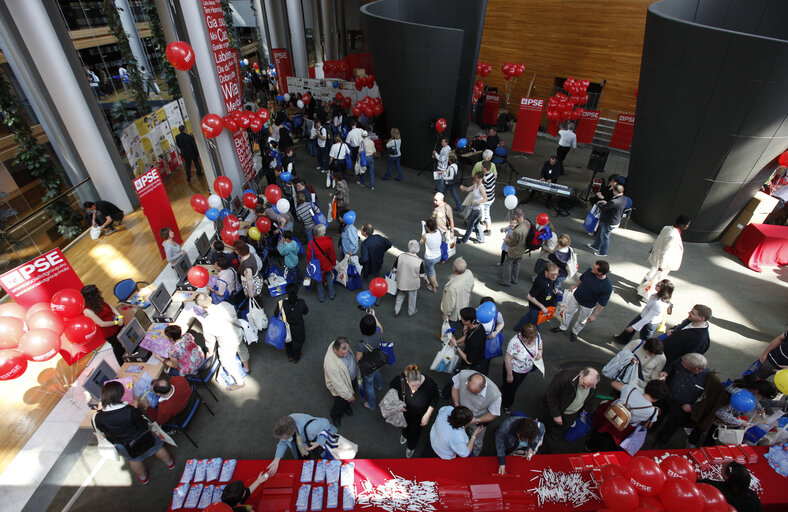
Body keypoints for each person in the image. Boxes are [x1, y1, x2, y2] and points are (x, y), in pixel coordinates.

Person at [94, 381, 174, 484]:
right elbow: (142, 425)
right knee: (157, 448)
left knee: (135, 460)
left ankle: (143, 477)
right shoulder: (130, 410)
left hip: (125, 444)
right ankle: (170, 463)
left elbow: (105, 432)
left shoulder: (99, 418)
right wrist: (137, 408)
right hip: (144, 437)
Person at [588, 379, 668, 453]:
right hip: (622, 430)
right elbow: (646, 426)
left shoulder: (631, 389)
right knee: (607, 446)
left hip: (609, 417)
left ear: (646, 387)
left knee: (597, 435)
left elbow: (613, 383)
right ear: (658, 398)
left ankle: (589, 446)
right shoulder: (653, 412)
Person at [194, 293, 249, 391]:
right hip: (238, 333)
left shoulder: (207, 322)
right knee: (242, 350)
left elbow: (210, 342)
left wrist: (209, 353)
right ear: (210, 298)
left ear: (200, 307)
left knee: (227, 362)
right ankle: (246, 368)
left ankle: (239, 382)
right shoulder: (225, 304)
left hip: (227, 344)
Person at [654, 353, 710, 447]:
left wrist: (692, 407)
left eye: (684, 365)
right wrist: (666, 372)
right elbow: (672, 366)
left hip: (681, 406)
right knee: (657, 414)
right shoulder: (683, 360)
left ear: (696, 370)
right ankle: (649, 429)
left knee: (672, 425)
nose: (681, 364)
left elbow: (708, 399)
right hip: (666, 396)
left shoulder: (708, 379)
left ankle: (660, 442)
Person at [551, 260, 613, 342]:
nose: (592, 268)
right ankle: (563, 327)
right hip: (576, 297)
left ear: (600, 273)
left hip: (588, 305)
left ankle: (575, 332)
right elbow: (582, 279)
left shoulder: (607, 286)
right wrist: (574, 286)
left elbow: (602, 303)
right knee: (567, 312)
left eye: (594, 268)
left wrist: (594, 315)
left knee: (582, 320)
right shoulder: (590, 271)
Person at [390, 364, 439, 458]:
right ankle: (405, 434)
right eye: (412, 386)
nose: (414, 389)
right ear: (407, 380)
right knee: (404, 424)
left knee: (415, 431)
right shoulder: (400, 380)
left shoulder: (430, 384)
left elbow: (435, 398)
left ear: (420, 378)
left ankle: (411, 446)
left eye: (418, 385)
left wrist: (428, 414)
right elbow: (392, 390)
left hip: (420, 415)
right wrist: (397, 404)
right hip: (404, 411)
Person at [637, 216, 691, 299]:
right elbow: (666, 251)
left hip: (658, 257)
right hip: (664, 261)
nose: (688, 226)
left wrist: (653, 249)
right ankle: (646, 294)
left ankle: (642, 288)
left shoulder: (667, 228)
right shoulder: (673, 236)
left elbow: (659, 240)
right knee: (656, 278)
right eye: (687, 225)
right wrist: (662, 266)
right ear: (683, 225)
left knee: (651, 274)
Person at [266, 414, 337, 475]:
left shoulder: (311, 428)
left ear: (291, 433)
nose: (282, 440)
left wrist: (319, 442)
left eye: (284, 438)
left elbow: (326, 423)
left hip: (319, 440)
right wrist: (276, 459)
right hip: (305, 443)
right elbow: (283, 442)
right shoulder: (286, 425)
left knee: (327, 459)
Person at [543, 367, 600, 444]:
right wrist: (556, 414)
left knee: (556, 434)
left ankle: (547, 446)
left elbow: (591, 400)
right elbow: (550, 395)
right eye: (584, 384)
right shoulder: (564, 377)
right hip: (555, 410)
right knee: (544, 426)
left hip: (571, 415)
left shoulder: (593, 384)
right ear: (581, 374)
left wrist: (584, 411)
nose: (586, 388)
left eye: (589, 386)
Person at [451, 370, 502, 455]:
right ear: (468, 380)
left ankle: (474, 456)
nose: (470, 394)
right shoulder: (463, 375)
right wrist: (456, 404)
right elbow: (455, 388)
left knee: (477, 442)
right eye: (468, 389)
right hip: (460, 413)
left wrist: (477, 420)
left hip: (476, 420)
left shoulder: (495, 395)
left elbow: (494, 414)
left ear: (483, 387)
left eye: (475, 393)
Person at [613, 279, 674, 344]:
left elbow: (647, 319)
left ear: (663, 289)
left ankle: (643, 348)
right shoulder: (656, 296)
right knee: (631, 328)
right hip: (644, 316)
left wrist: (633, 327)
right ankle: (622, 339)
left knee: (644, 338)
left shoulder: (658, 304)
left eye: (658, 285)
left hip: (650, 323)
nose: (656, 285)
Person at [501, 324, 543, 415]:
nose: (532, 341)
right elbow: (507, 359)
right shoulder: (515, 343)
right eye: (529, 340)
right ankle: (506, 404)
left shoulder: (536, 336)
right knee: (511, 389)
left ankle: (504, 389)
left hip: (525, 370)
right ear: (523, 337)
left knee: (514, 385)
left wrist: (540, 351)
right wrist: (509, 375)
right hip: (514, 370)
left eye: (533, 339)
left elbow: (540, 342)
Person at [81, 285, 124, 365]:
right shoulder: (87, 310)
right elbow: (101, 324)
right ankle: (122, 365)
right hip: (110, 332)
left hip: (118, 323)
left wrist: (119, 316)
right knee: (118, 348)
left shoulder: (98, 300)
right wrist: (116, 322)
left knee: (126, 341)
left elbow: (111, 307)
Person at [512, 262, 559, 332]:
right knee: (536, 328)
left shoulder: (550, 277)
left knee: (528, 317)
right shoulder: (540, 282)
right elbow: (529, 296)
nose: (555, 276)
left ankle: (518, 327)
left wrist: (554, 287)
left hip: (540, 306)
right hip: (536, 309)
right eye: (553, 274)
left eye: (557, 274)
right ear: (546, 272)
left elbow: (551, 282)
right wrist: (542, 307)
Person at [323, 337, 357, 426]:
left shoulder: (340, 344)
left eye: (347, 352)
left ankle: (347, 407)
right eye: (342, 354)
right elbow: (338, 384)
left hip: (350, 380)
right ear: (335, 349)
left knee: (348, 399)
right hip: (341, 388)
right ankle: (336, 416)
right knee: (340, 404)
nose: (345, 355)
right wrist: (348, 396)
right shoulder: (331, 365)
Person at [587, 184, 628, 257]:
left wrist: (600, 204)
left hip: (609, 222)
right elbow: (613, 207)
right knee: (600, 233)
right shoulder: (624, 199)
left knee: (605, 237)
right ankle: (596, 246)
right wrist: (607, 204)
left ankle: (603, 252)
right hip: (613, 220)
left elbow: (604, 209)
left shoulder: (614, 201)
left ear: (615, 191)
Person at [355, 309, 384, 411]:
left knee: (369, 386)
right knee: (377, 373)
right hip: (379, 360)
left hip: (369, 366)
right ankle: (379, 386)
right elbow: (380, 327)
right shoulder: (379, 332)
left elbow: (358, 359)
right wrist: (374, 316)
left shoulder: (361, 344)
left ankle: (371, 405)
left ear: (362, 329)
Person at [275, 283, 308, 363]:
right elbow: (305, 311)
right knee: (298, 343)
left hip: (286, 327)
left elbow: (276, 314)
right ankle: (296, 358)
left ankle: (290, 356)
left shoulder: (281, 303)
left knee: (288, 341)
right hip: (298, 327)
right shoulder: (301, 302)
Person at [393, 240, 427, 317]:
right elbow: (422, 275)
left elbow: (394, 269)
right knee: (412, 297)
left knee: (400, 294)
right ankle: (411, 311)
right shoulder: (419, 261)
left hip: (402, 281)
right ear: (418, 249)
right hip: (413, 283)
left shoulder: (400, 256)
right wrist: (427, 280)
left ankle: (396, 310)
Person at [450, 307, 489, 374]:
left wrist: (456, 346)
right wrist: (456, 341)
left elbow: (468, 361)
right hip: (475, 354)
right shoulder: (478, 325)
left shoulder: (475, 341)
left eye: (462, 318)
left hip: (472, 365)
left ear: (468, 321)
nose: (460, 319)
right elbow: (467, 336)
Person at [498, 208, 532, 286]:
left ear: (516, 216)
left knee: (508, 264)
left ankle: (506, 281)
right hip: (523, 248)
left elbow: (512, 243)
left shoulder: (517, 231)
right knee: (517, 263)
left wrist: (507, 240)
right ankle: (514, 279)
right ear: (523, 214)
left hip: (514, 250)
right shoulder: (527, 223)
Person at [440, 257, 474, 333]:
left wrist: (446, 314)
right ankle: (464, 332)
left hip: (455, 311)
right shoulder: (469, 273)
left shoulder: (452, 287)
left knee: (452, 324)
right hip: (465, 302)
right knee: (462, 320)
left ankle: (451, 336)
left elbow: (450, 304)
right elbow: (472, 285)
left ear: (454, 269)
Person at [307, 224, 337, 302]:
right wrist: (333, 263)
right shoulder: (328, 242)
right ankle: (331, 294)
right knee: (329, 277)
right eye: (324, 230)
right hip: (326, 264)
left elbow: (309, 256)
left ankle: (321, 296)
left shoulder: (311, 243)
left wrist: (309, 266)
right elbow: (332, 254)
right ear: (322, 232)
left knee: (318, 280)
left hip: (317, 265)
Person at [457, 173, 488, 244]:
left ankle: (464, 240)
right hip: (475, 209)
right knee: (476, 224)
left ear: (480, 179)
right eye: (475, 178)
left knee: (470, 225)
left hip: (477, 210)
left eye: (476, 178)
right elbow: (468, 189)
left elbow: (486, 199)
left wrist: (477, 201)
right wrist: (463, 188)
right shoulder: (476, 185)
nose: (475, 179)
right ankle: (481, 239)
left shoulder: (481, 188)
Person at [358, 223, 391, 287]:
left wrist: (359, 260)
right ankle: (377, 295)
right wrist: (382, 250)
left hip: (369, 269)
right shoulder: (379, 238)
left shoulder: (365, 244)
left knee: (366, 284)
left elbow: (365, 259)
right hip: (378, 265)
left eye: (361, 230)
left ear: (364, 233)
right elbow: (389, 244)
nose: (361, 231)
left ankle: (369, 295)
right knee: (376, 283)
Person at [421, 218, 442, 293]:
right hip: (438, 256)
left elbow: (421, 243)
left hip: (430, 258)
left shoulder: (425, 236)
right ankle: (435, 282)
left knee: (430, 272)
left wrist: (423, 234)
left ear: (427, 227)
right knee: (432, 269)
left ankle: (433, 287)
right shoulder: (439, 231)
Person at [479, 159, 497, 235]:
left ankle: (488, 230)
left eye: (482, 167)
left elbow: (482, 189)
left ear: (485, 168)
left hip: (487, 199)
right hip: (491, 197)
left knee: (486, 214)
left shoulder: (485, 178)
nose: (481, 168)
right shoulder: (492, 174)